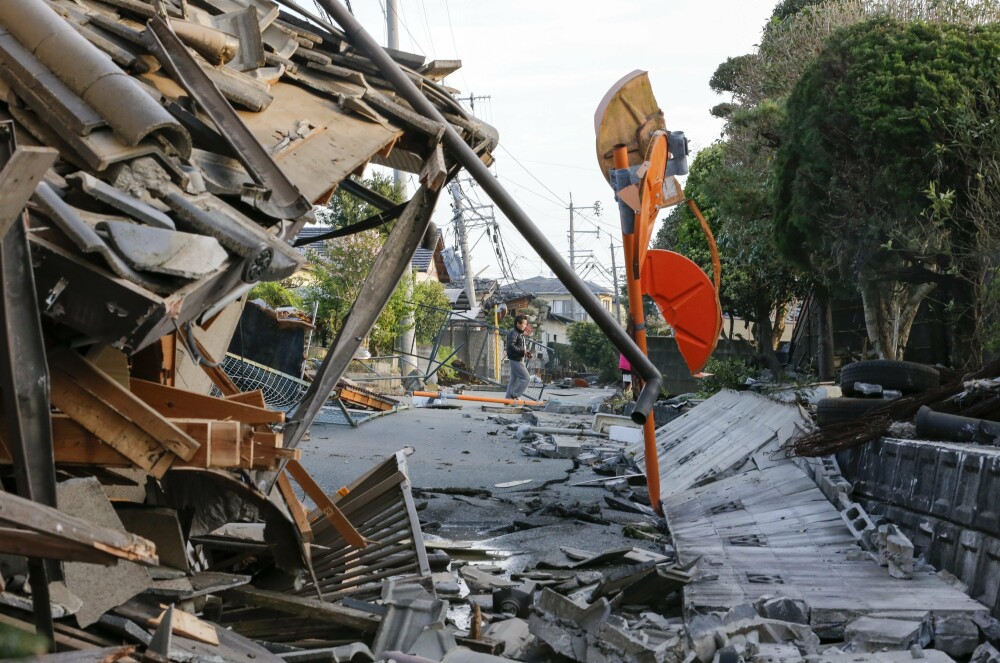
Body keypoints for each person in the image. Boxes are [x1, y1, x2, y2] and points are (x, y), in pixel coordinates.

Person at [505, 314, 532, 400]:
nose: (525, 326)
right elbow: (510, 346)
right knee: (526, 378)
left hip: (518, 359)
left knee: (514, 380)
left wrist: (526, 353)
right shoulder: (514, 333)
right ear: (518, 323)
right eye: (524, 324)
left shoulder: (520, 334)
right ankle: (514, 395)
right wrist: (523, 351)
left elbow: (520, 347)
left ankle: (507, 399)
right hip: (515, 360)